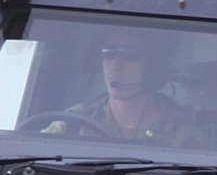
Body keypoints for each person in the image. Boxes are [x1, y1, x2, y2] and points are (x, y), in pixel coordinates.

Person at [46, 29, 208, 147]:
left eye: (129, 55)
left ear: (153, 66)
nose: (115, 65)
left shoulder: (184, 134)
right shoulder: (72, 123)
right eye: (109, 53)